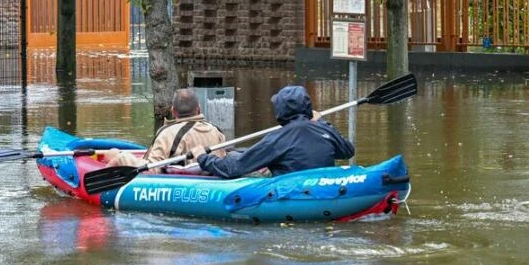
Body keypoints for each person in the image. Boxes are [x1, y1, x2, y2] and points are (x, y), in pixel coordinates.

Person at [193, 85, 353, 179]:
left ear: (281, 109)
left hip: (294, 193)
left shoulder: (278, 139)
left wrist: (203, 157)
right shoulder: (324, 128)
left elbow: (235, 168)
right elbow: (347, 151)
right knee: (236, 153)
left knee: (236, 158)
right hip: (322, 188)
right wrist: (321, 121)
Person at [104, 88, 226, 169]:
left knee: (112, 153)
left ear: (173, 111)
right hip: (208, 176)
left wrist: (121, 158)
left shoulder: (167, 133)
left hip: (180, 181)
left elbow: (152, 168)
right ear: (199, 108)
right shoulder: (216, 131)